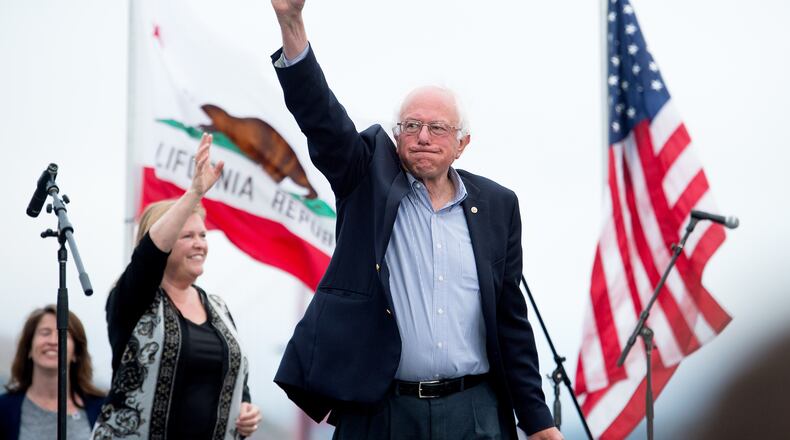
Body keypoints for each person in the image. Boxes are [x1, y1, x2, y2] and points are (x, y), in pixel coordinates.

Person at [269, 1, 563, 439]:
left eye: (438, 128)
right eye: (411, 126)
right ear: (396, 135)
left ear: (462, 143)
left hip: (474, 413)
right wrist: (291, 22)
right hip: (382, 412)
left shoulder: (498, 206)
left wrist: (538, 421)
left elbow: (509, 321)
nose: (423, 137)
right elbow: (322, 119)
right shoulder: (366, 180)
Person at [91, 134, 262, 439]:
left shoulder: (220, 309)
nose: (200, 244)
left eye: (203, 236)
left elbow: (238, 383)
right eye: (188, 236)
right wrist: (194, 193)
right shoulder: (134, 298)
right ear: (165, 243)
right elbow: (148, 255)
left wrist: (246, 409)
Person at [0, 305, 105, 440]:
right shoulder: (4, 409)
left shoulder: (101, 410)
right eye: (45, 332)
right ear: (29, 349)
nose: (53, 341)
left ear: (76, 353)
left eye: (63, 334)